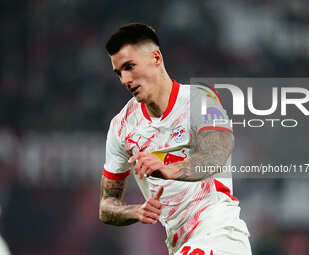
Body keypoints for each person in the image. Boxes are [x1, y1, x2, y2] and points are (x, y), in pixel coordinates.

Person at [99, 23, 251, 255]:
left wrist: (167, 169)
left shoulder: (200, 100)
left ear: (156, 57)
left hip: (220, 234)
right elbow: (106, 205)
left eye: (130, 67)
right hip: (180, 243)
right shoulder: (122, 127)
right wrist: (136, 211)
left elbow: (217, 153)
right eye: (119, 72)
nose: (125, 80)